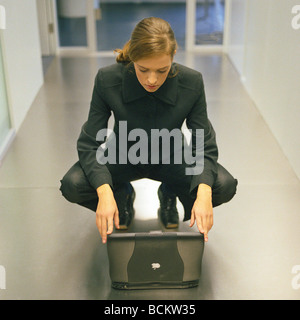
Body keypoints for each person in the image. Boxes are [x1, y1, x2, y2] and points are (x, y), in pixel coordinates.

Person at [60, 17, 238, 244]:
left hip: (173, 158)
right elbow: (89, 143)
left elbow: (203, 142)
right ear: (133, 58)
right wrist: (105, 191)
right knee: (73, 184)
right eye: (143, 69)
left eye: (162, 70)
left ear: (173, 57)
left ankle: (169, 192)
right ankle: (120, 194)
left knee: (222, 186)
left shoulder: (192, 82)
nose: (152, 79)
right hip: (122, 156)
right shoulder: (107, 79)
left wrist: (204, 191)